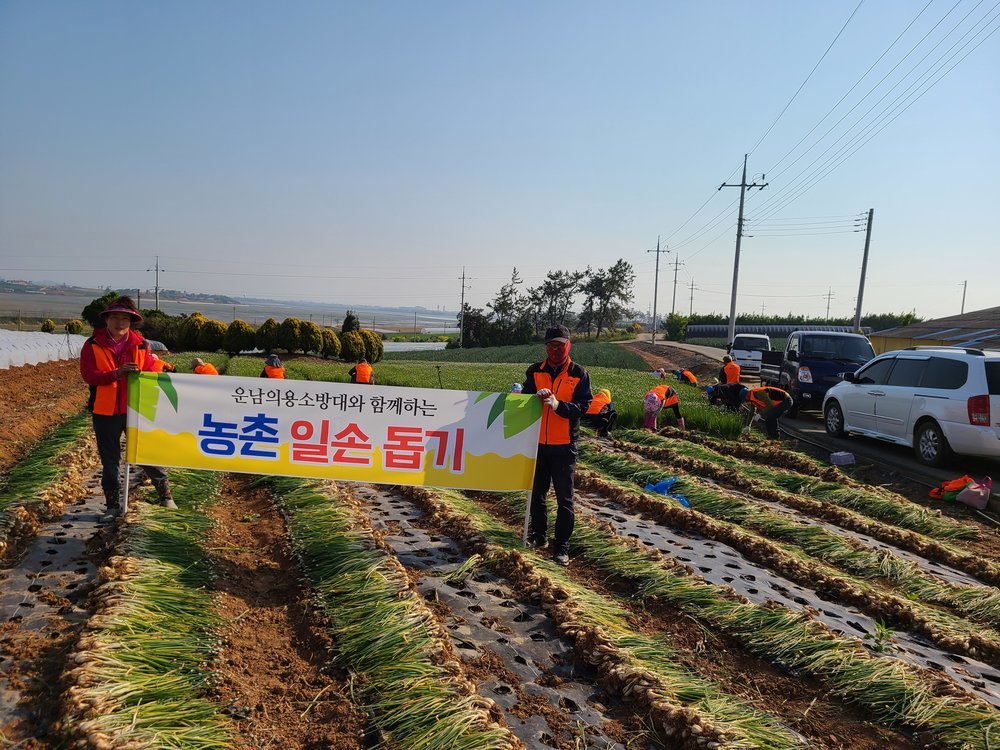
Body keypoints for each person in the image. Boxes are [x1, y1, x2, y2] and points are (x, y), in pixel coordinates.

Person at [79, 296, 175, 520]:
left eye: (124, 319)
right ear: (107, 320)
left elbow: (151, 372)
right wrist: (116, 373)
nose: (119, 323)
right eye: (114, 318)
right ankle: (112, 507)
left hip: (135, 409)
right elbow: (89, 375)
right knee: (110, 460)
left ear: (132, 322)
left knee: (145, 453)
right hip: (105, 411)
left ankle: (166, 498)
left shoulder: (141, 344)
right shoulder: (93, 344)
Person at [521, 325, 592, 567]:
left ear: (568, 345)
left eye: (560, 345)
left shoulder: (578, 374)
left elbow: (583, 408)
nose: (555, 349)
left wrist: (557, 405)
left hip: (564, 446)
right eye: (551, 345)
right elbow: (524, 402)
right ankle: (539, 536)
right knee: (537, 494)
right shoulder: (534, 371)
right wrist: (527, 396)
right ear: (546, 346)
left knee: (565, 500)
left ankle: (561, 547)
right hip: (538, 443)